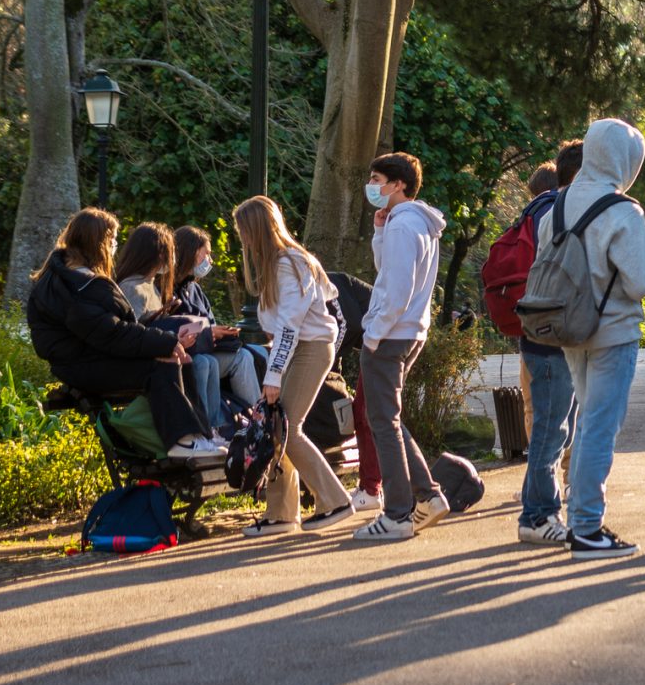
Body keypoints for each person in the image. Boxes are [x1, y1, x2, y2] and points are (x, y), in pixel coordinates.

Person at [25, 208, 221, 459]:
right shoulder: (77, 285)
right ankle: (182, 441)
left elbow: (111, 331)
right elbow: (114, 333)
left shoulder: (70, 278)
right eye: (113, 240)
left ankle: (200, 436)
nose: (115, 247)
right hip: (82, 363)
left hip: (88, 357)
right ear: (99, 242)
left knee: (176, 357)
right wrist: (165, 343)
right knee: (160, 365)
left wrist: (166, 343)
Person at [551, 118, 645, 558]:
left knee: (587, 421)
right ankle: (587, 527)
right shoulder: (622, 211)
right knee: (599, 426)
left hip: (567, 328)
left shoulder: (558, 203)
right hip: (612, 331)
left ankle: (580, 518)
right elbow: (641, 282)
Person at [233, 196, 355, 537]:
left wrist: (273, 374)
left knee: (289, 428)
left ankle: (334, 501)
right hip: (299, 349)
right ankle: (283, 513)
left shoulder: (288, 263)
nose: (240, 237)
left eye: (243, 229)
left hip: (309, 349)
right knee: (278, 428)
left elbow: (289, 325)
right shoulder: (281, 264)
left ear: (256, 228)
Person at [351, 152, 452, 542]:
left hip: (391, 334)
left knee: (382, 424)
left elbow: (395, 288)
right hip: (410, 331)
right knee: (389, 420)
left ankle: (396, 514)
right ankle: (427, 496)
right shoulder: (413, 223)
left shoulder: (403, 225)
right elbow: (389, 271)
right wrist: (379, 230)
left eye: (377, 179)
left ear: (398, 185)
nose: (372, 186)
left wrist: (373, 334)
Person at [510, 152, 580, 548]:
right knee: (553, 424)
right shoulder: (559, 211)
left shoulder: (531, 213)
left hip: (532, 322)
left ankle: (541, 501)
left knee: (543, 416)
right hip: (554, 326)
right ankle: (538, 512)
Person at [170, 225, 258, 429]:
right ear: (191, 252)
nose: (210, 261)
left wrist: (221, 333)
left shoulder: (195, 289)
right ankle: (209, 428)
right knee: (205, 362)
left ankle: (256, 421)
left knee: (245, 356)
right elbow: (172, 328)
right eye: (206, 254)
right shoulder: (167, 286)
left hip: (207, 349)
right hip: (188, 354)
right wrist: (208, 334)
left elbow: (209, 323)